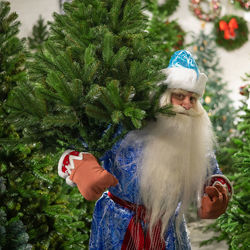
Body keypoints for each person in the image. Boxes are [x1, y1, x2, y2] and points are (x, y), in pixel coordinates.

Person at [58, 50, 232, 249]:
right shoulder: (128, 123)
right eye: (180, 96)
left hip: (168, 230)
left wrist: (217, 192)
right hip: (117, 226)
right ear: (165, 97)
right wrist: (80, 167)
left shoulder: (191, 139)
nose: (186, 104)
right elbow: (79, 144)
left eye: (192, 99)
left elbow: (211, 172)